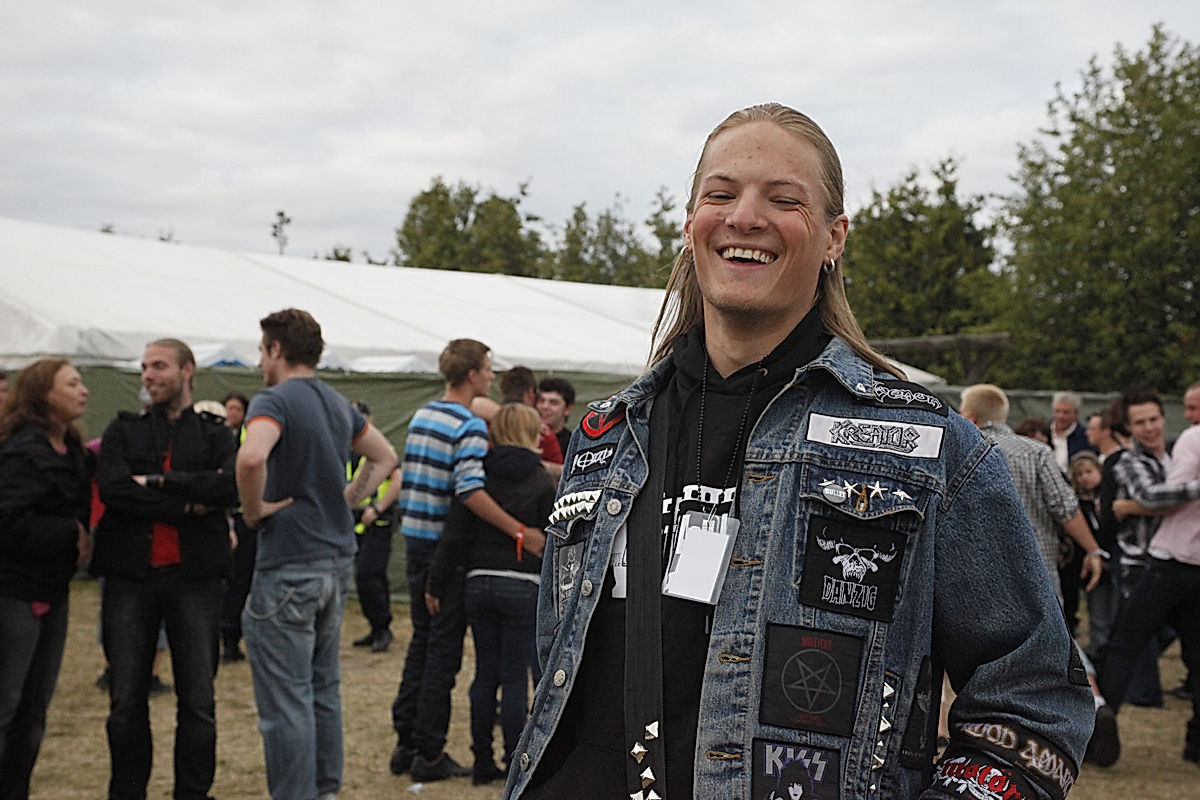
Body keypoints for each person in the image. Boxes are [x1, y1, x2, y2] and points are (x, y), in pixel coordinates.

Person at [504, 103, 1093, 800]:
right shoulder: (605, 436)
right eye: (720, 195)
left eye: (784, 200)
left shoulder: (930, 452)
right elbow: (561, 669)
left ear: (834, 237)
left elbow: (1035, 705)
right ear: (690, 223)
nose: (744, 217)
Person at [236, 308, 395, 800]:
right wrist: (343, 501)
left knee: (286, 702)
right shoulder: (335, 401)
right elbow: (385, 456)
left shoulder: (274, 399)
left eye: (262, 350)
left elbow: (252, 455)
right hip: (334, 564)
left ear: (277, 350)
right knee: (322, 690)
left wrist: (253, 510)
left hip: (288, 565)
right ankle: (324, 791)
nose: (260, 360)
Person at [389, 339, 546, 783]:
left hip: (416, 543)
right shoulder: (469, 426)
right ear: (475, 374)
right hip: (446, 549)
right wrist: (520, 533)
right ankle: (431, 751)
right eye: (489, 369)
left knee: (421, 644)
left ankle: (407, 740)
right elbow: (469, 492)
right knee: (444, 654)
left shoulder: (424, 413)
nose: (493, 377)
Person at [91, 339, 238, 800]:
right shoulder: (123, 430)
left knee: (198, 702)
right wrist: (188, 505)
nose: (148, 376)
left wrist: (157, 483)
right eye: (144, 367)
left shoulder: (215, 432)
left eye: (158, 366)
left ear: (187, 370)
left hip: (194, 580)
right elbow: (113, 490)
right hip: (130, 578)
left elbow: (228, 488)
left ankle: (193, 794)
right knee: (125, 702)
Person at [426, 403, 555, 785]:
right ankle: (513, 761)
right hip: (522, 585)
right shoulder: (540, 479)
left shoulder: (477, 478)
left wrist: (435, 583)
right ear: (532, 433)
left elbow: (455, 534)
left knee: (484, 674)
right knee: (514, 677)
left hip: (478, 581)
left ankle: (481, 761)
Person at [0, 359, 92, 800]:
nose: (84, 390)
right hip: (14, 592)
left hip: (53, 591)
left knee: (34, 709)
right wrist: (69, 533)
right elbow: (8, 522)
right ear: (43, 394)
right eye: (72, 383)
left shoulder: (71, 450)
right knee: (7, 703)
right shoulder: (21, 452)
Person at [1091, 409, 1200, 766]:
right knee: (1125, 646)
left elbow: (1158, 501)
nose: (1150, 428)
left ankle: (1194, 741)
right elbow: (1154, 497)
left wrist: (1130, 506)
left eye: (1154, 419)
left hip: (1180, 564)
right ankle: (1100, 727)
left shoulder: (1177, 450)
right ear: (1129, 430)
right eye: (1140, 423)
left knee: (1182, 654)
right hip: (1145, 566)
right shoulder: (1129, 461)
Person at [347, 400, 402, 653]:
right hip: (354, 523)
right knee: (365, 578)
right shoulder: (346, 450)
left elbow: (397, 479)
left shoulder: (381, 448)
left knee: (369, 575)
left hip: (377, 521)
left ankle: (383, 628)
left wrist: (378, 508)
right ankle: (375, 627)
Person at [219, 392, 255, 663]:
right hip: (222, 519)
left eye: (235, 408)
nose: (230, 413)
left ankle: (231, 639)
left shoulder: (249, 437)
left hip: (246, 520)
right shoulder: (216, 438)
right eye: (227, 408)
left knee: (241, 580)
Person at [1050, 391, 1092, 473]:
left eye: (1066, 412)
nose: (1061, 416)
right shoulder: (1043, 431)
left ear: (1076, 414)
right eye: (1057, 411)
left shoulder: (1085, 437)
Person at [537, 377, 576, 456]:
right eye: (541, 401)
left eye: (553, 403)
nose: (545, 407)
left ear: (568, 409)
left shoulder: (573, 444)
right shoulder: (525, 437)